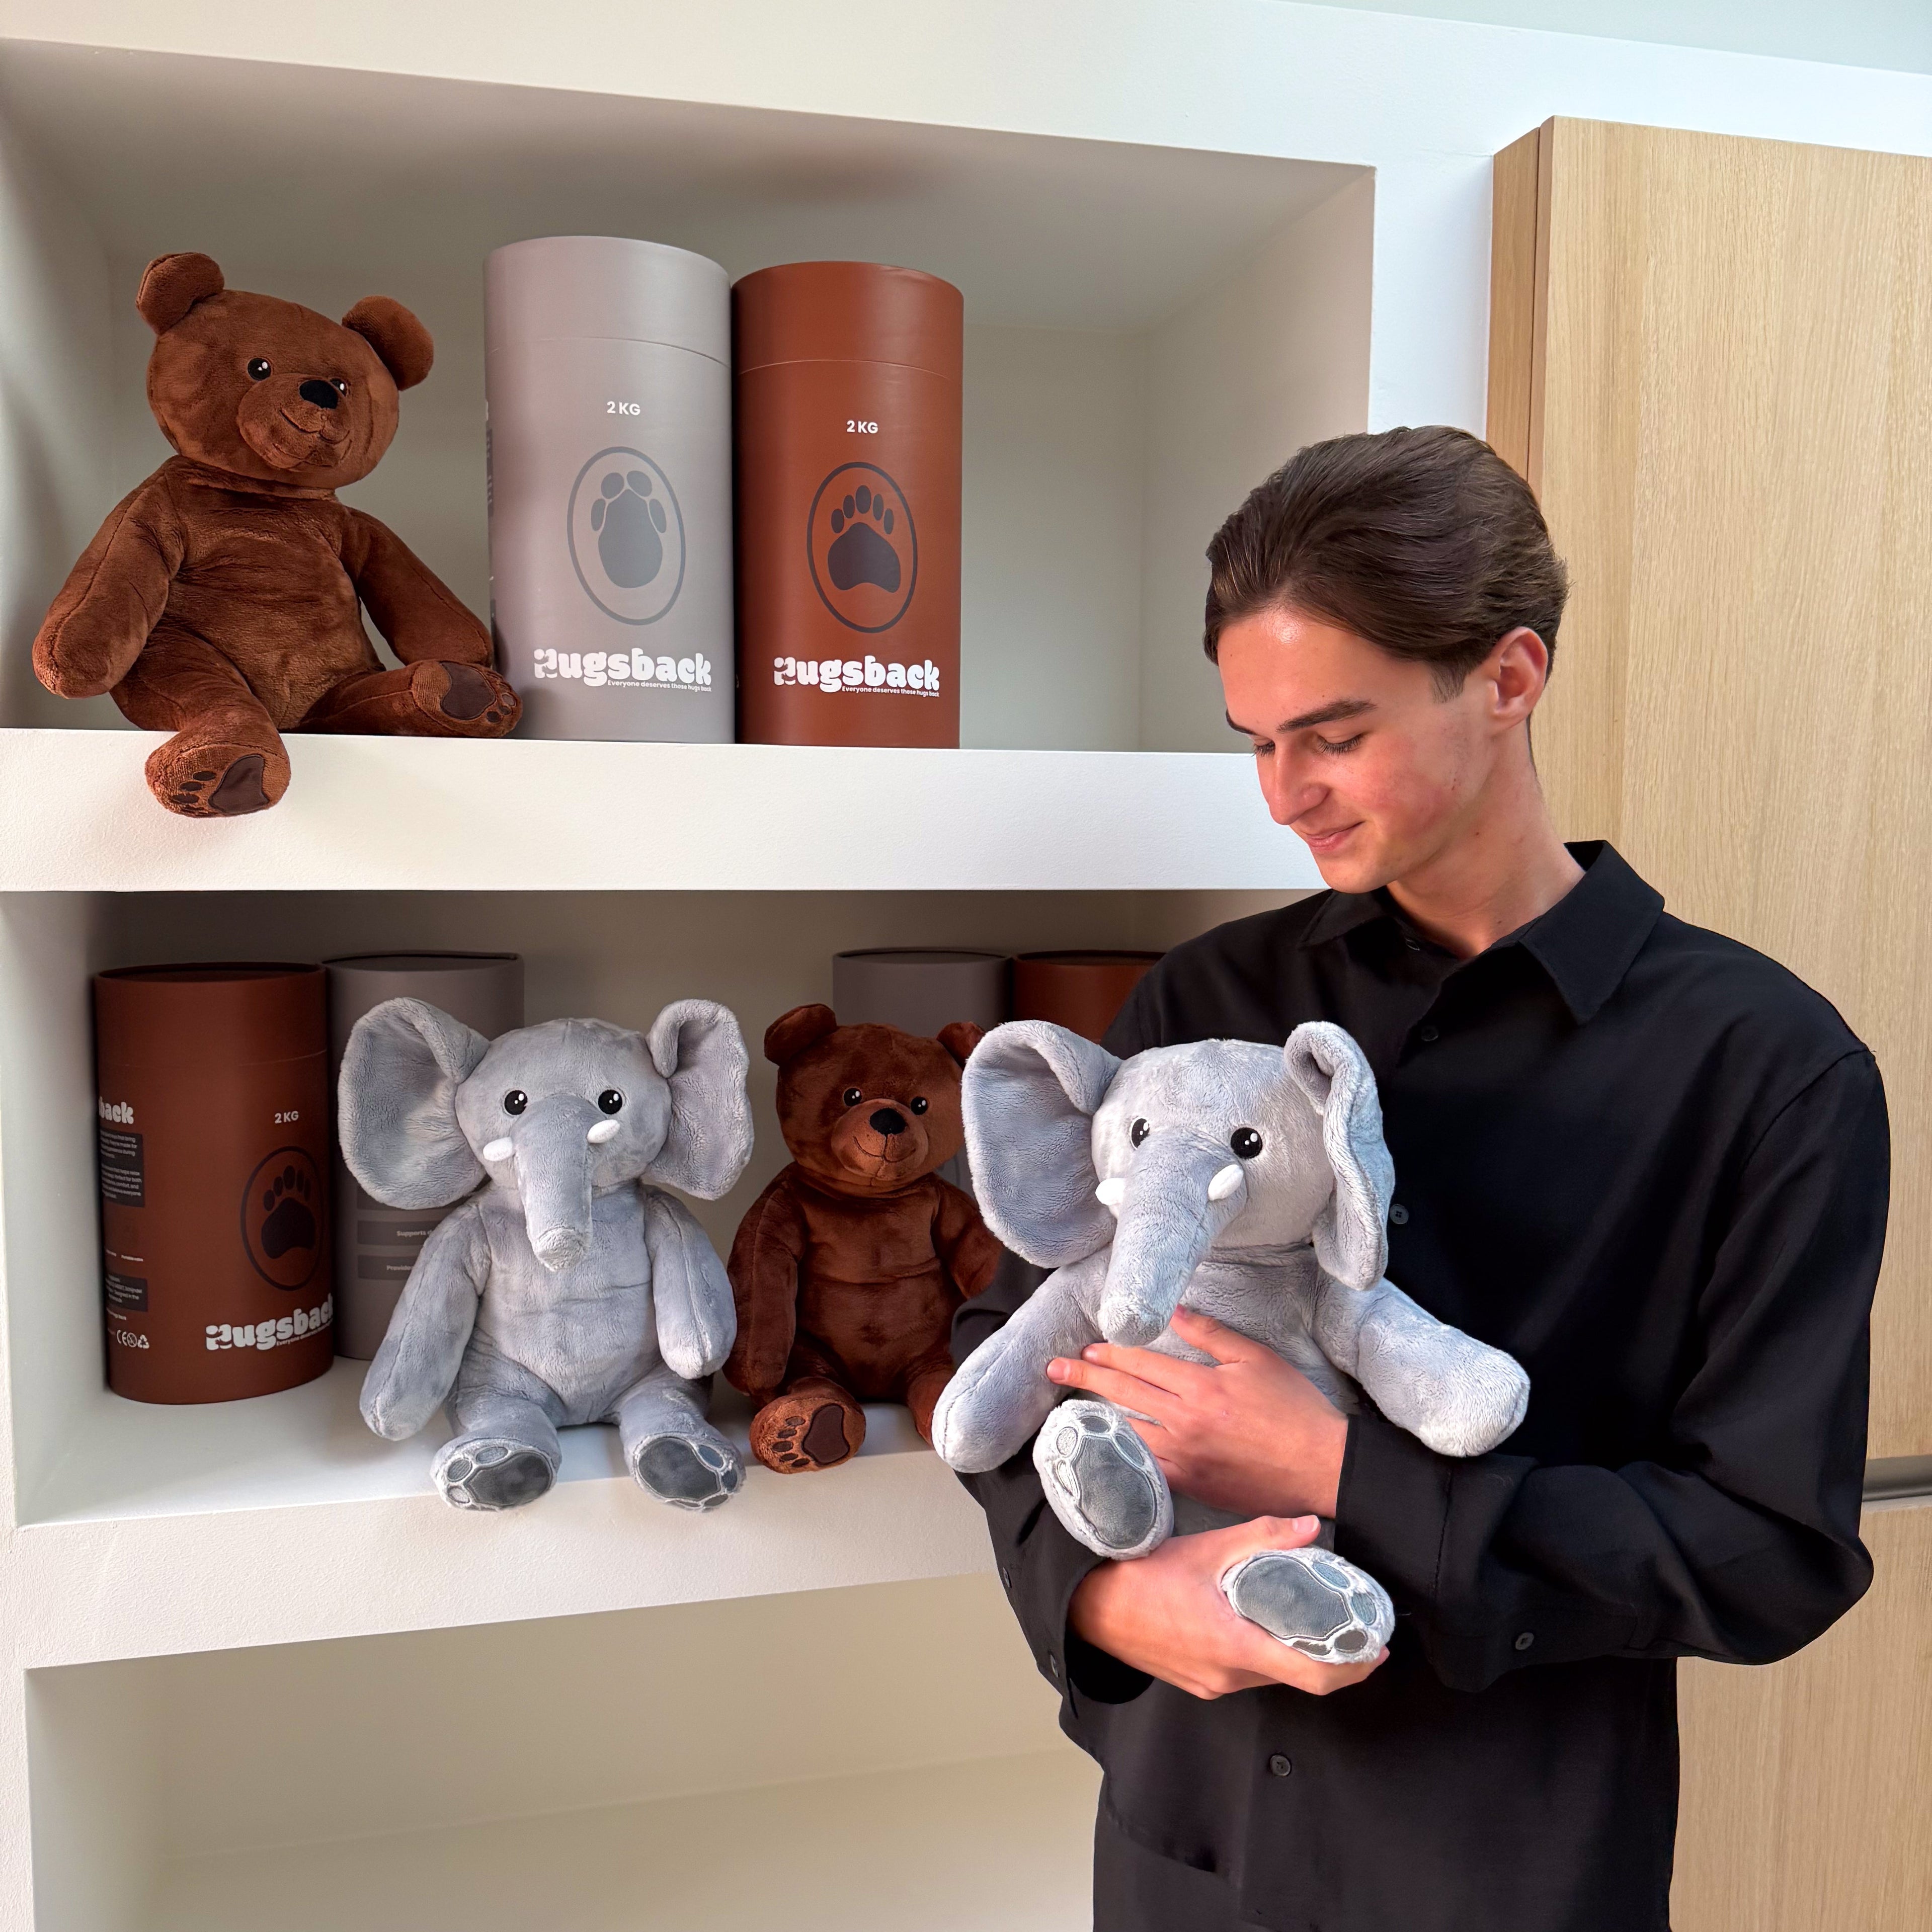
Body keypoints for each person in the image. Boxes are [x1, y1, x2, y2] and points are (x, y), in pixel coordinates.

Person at [952, 426, 1888, 1932]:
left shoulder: (1769, 1070)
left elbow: (1769, 1553)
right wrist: (1108, 1600)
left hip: (1512, 1875)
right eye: (1255, 742)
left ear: (1509, 678)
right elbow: (1019, 1354)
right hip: (1188, 1848)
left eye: (1333, 734)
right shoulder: (1198, 1006)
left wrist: (1335, 1476)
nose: (1283, 797)